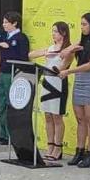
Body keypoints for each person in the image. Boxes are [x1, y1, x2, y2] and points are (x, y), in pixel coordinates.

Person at [60, 13, 90, 168]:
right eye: (81, 24)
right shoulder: (82, 41)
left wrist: (69, 72)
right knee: (80, 119)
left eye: (85, 24)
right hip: (79, 81)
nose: (82, 27)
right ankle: (79, 151)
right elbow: (65, 53)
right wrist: (72, 48)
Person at [29, 22, 74, 161]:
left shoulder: (68, 49)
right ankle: (50, 145)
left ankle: (58, 147)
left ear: (64, 33)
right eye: (52, 31)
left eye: (56, 31)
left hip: (58, 83)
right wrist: (45, 52)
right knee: (48, 116)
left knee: (57, 116)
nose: (53, 33)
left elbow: (61, 67)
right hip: (47, 83)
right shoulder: (50, 47)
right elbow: (30, 54)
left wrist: (59, 55)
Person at [0, 12, 30, 145]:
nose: (4, 25)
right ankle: (2, 133)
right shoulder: (4, 37)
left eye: (6, 23)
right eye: (3, 22)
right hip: (3, 72)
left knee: (10, 103)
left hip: (14, 73)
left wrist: (9, 48)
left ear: (14, 23)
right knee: (2, 102)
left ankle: (10, 134)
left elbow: (23, 57)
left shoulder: (21, 38)